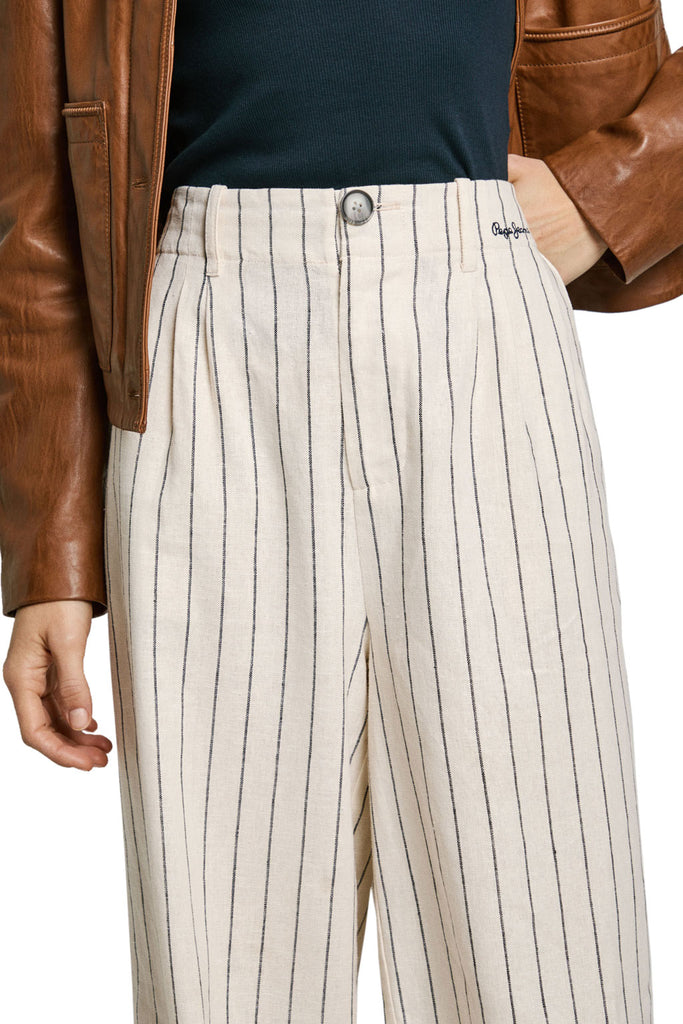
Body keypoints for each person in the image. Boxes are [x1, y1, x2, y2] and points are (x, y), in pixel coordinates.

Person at [1, 0, 681, 1021]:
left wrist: (600, 194)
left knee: (544, 946)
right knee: (225, 971)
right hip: (201, 346)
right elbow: (37, 205)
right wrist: (51, 561)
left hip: (474, 307)